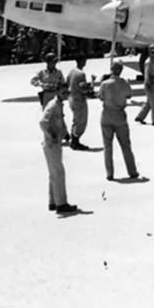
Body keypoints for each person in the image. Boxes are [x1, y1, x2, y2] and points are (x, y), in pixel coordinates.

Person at [97, 61, 140, 181]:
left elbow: (100, 97)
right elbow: (129, 95)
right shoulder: (124, 83)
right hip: (120, 115)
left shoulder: (105, 84)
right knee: (126, 145)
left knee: (107, 146)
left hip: (106, 115)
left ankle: (109, 173)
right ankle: (132, 171)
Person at [40, 83, 78, 214]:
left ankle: (53, 202)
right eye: (63, 92)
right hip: (52, 144)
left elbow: (59, 121)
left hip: (53, 144)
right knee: (59, 173)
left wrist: (66, 134)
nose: (66, 95)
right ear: (57, 92)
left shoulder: (59, 105)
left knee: (53, 173)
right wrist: (52, 134)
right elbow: (43, 122)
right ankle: (61, 204)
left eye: (67, 92)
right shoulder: (53, 105)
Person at [135, 45, 154, 126]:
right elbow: (147, 75)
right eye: (152, 52)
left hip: (153, 82)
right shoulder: (148, 62)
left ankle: (140, 117)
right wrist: (149, 85)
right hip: (149, 83)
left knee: (149, 102)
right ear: (149, 52)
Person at [65, 55, 92, 150]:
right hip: (79, 100)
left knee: (76, 120)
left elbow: (67, 82)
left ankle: (74, 140)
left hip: (71, 98)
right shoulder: (81, 74)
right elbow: (82, 88)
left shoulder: (72, 71)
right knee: (81, 121)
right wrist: (90, 88)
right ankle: (75, 141)